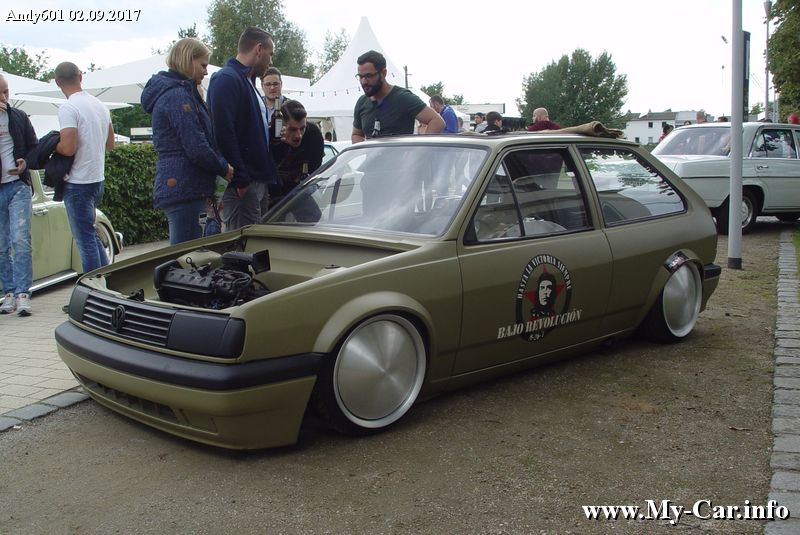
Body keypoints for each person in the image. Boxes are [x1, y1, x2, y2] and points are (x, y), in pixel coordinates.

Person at [141, 38, 233, 245]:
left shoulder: (177, 92)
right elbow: (196, 145)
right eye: (203, 65)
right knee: (187, 255)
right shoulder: (177, 95)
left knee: (189, 252)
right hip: (186, 186)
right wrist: (222, 167)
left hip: (183, 184)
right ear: (188, 60)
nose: (206, 72)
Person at [208, 27, 278, 231]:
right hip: (242, 184)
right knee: (243, 244)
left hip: (256, 181)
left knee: (257, 243)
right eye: (270, 54)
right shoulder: (226, 79)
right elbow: (223, 132)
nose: (271, 61)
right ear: (259, 49)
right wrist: (241, 180)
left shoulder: (248, 81)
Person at [54, 61, 115, 275]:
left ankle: (93, 286)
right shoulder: (100, 105)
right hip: (97, 179)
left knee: (84, 239)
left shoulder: (68, 108)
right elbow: (110, 144)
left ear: (57, 82)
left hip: (78, 181)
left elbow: (68, 148)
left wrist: (53, 146)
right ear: (80, 77)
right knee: (91, 234)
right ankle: (106, 280)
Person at [0, 74, 38, 316]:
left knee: (20, 239)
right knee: (1, 245)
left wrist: (26, 163)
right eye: (0, 93)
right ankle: (9, 292)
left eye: (6, 91)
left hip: (18, 186)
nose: (4, 97)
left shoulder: (18, 116)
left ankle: (23, 293)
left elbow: (34, 147)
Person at [351, 50, 444, 143]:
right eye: (360, 76)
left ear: (383, 73)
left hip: (401, 153)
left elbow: (437, 121)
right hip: (373, 153)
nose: (363, 81)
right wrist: (363, 149)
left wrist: (420, 149)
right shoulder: (362, 102)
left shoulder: (403, 97)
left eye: (369, 76)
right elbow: (356, 134)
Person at [270, 99, 324, 205]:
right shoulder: (271, 137)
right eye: (293, 130)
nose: (298, 135)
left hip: (302, 189)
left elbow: (315, 167)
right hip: (273, 193)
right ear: (281, 126)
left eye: (302, 128)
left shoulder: (313, 134)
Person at [260, 66, 288, 148]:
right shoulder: (256, 105)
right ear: (262, 86)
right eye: (268, 84)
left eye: (275, 84)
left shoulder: (291, 106)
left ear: (281, 84)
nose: (272, 88)